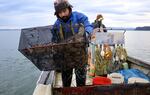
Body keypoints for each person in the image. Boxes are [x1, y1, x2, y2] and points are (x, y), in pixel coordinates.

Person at [51, 0, 93, 87]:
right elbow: (54, 40)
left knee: (81, 80)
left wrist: (88, 32)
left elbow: (88, 25)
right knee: (66, 80)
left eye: (64, 11)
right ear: (57, 14)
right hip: (66, 56)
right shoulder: (56, 24)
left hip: (80, 54)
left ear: (69, 9)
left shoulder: (78, 16)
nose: (63, 14)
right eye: (60, 13)